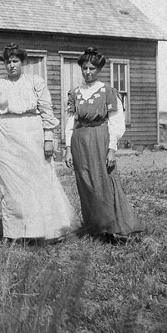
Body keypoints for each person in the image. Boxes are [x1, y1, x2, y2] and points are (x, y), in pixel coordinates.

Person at [0, 43, 74, 242]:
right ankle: (16, 233)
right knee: (12, 186)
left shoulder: (36, 82)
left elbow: (46, 110)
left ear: (22, 62)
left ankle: (46, 230)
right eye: (8, 62)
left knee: (39, 182)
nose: (11, 65)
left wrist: (48, 138)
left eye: (15, 61)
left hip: (33, 134)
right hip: (6, 136)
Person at [63, 47, 141, 242]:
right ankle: (95, 227)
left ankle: (113, 228)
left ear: (98, 70)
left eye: (92, 68)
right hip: (79, 141)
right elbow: (70, 122)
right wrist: (67, 149)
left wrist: (111, 149)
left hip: (100, 138)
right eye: (84, 68)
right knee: (86, 184)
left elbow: (116, 122)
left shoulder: (107, 92)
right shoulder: (75, 93)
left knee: (105, 182)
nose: (88, 72)